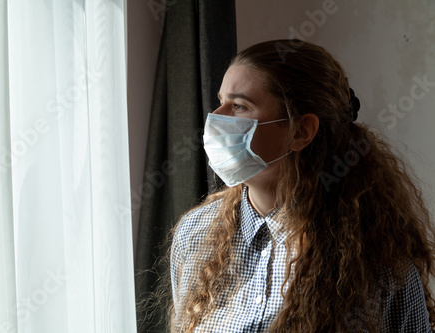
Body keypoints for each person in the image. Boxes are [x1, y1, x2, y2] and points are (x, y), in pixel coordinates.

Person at [169, 40, 435, 332]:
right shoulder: (194, 234)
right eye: (220, 101)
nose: (216, 118)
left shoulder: (378, 254)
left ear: (301, 131)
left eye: (239, 106)